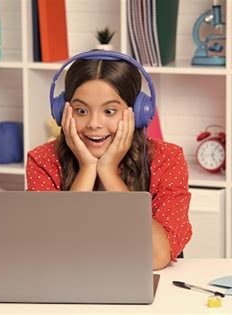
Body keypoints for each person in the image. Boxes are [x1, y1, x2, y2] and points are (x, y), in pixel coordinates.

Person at [26, 51, 192, 270]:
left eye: (110, 111)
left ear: (139, 112)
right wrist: (87, 169)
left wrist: (109, 172)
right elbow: (54, 251)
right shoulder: (42, 160)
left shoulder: (167, 159)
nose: (94, 123)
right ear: (62, 112)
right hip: (70, 282)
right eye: (81, 110)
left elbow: (157, 257)